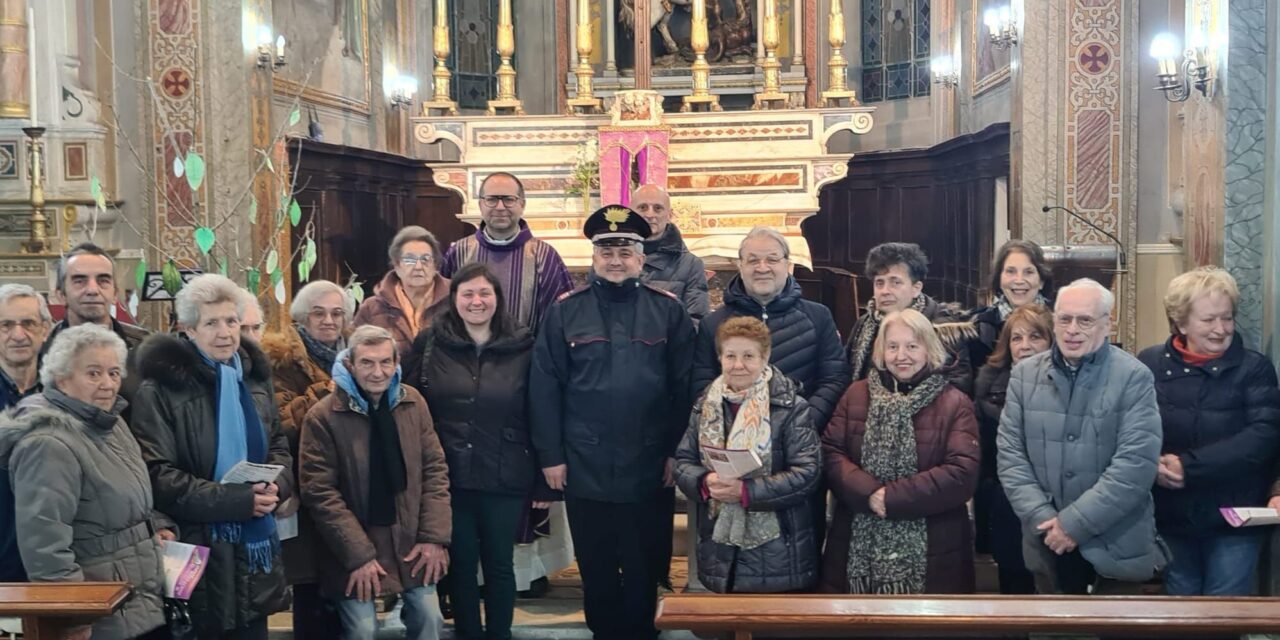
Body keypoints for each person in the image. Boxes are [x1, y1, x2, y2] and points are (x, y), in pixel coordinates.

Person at [531, 205, 695, 640]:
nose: (616, 259)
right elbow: (545, 387)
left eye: (626, 249)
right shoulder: (565, 312)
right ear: (594, 257)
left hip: (649, 463)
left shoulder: (669, 312)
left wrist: (675, 452)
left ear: (642, 258)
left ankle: (643, 632)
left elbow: (684, 388)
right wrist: (551, 456)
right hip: (585, 463)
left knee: (645, 565)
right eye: (607, 250)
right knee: (598, 567)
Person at [131, 274, 293, 639]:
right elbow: (157, 475)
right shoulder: (159, 389)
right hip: (197, 548)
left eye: (232, 321)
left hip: (253, 557)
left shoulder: (253, 378)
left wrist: (275, 486)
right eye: (212, 323)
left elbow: (278, 444)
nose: (225, 333)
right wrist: (237, 502)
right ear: (188, 329)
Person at [691, 226, 850, 581]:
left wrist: (801, 422)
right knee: (730, 561)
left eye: (771, 259)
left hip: (796, 459)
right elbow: (702, 384)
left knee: (796, 555)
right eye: (753, 260)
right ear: (740, 267)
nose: (762, 267)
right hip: (732, 459)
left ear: (788, 265)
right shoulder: (715, 323)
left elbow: (835, 377)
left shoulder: (817, 316)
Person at [998, 278, 1169, 595]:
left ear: (1107, 324)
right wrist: (1044, 518)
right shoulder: (1024, 376)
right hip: (1045, 539)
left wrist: (1073, 525)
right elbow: (1011, 458)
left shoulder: (1134, 377)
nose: (1072, 329)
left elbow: (1135, 466)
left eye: (1085, 320)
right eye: (1064, 319)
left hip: (1116, 545)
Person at [414, 263, 558, 640]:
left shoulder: (524, 345)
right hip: (449, 475)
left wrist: (545, 480)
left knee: (499, 564)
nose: (476, 301)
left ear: (497, 298)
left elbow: (540, 410)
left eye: (484, 293)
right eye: (467, 294)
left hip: (505, 472)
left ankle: (499, 634)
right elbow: (412, 407)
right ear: (454, 299)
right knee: (460, 565)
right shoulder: (429, 344)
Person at [0, 325, 169, 640]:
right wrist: (74, 614)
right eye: (93, 374)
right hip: (100, 611)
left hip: (134, 598)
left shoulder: (111, 422)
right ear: (62, 378)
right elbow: (44, 544)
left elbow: (129, 497)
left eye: (114, 373)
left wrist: (155, 525)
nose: (108, 384)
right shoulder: (48, 444)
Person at [300, 325, 450, 640]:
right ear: (350, 365)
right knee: (363, 630)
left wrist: (433, 537)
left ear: (397, 363)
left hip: (410, 541)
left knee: (430, 619)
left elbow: (435, 470)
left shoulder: (413, 403)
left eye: (385, 362)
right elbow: (320, 494)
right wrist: (359, 556)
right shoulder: (323, 416)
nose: (378, 372)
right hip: (353, 548)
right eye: (367, 363)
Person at [1137, 267, 1280, 596]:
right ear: (1181, 322)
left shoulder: (1254, 368)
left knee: (1225, 612)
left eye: (1227, 318)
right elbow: (1132, 428)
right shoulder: (1149, 363)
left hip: (1234, 518)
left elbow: (1262, 437)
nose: (1221, 329)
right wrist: (1153, 463)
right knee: (1180, 613)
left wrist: (1190, 467)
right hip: (1171, 516)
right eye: (1209, 320)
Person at [820, 309, 980, 594]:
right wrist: (869, 492)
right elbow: (831, 452)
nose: (901, 355)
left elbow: (961, 474)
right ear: (881, 351)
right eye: (892, 346)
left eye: (912, 346)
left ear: (929, 349)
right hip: (856, 539)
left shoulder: (955, 402)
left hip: (936, 547)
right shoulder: (855, 394)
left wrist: (892, 498)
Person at [674, 317, 820, 593]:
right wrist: (706, 482)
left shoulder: (791, 408)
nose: (738, 365)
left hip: (778, 547)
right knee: (728, 630)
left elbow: (807, 473)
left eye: (749, 356)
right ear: (719, 357)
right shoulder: (706, 405)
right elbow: (683, 461)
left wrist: (746, 491)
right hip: (720, 546)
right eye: (730, 355)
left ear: (765, 357)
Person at [259, 280, 354, 638]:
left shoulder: (359, 354)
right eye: (319, 313)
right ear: (302, 318)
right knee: (311, 587)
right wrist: (324, 391)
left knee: (349, 586)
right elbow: (281, 423)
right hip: (306, 486)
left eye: (336, 313)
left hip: (351, 487)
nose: (328, 321)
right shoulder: (282, 361)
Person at [972, 304, 1053, 594]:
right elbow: (981, 455)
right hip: (1005, 502)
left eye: (1035, 337)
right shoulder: (988, 386)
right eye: (1016, 338)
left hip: (1056, 505)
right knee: (1014, 586)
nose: (1025, 346)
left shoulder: (1069, 385)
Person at [439, 172, 574, 336]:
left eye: (509, 199)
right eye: (492, 199)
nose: (500, 207)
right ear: (481, 204)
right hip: (466, 358)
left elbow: (560, 318)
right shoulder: (459, 252)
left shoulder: (544, 256)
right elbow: (442, 309)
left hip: (526, 357)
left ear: (522, 204)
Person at [845, 242, 974, 395]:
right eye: (879, 283)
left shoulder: (944, 327)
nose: (885, 291)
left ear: (916, 288)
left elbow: (958, 386)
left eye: (895, 282)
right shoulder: (865, 324)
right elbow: (845, 375)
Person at [43, 243, 150, 405]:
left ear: (115, 293)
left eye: (103, 280)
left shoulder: (145, 349)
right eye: (80, 281)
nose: (92, 290)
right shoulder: (41, 350)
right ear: (61, 295)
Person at [0, 284, 52, 584]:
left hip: (51, 552)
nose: (18, 334)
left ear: (45, 330)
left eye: (28, 323)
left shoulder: (65, 390)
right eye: (6, 325)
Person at [354, 226, 450, 362]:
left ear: (435, 265)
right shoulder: (372, 307)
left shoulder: (455, 302)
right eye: (409, 260)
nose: (418, 267)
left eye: (425, 259)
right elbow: (355, 356)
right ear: (397, 266)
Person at [968, 240, 1054, 368]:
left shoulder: (1060, 322)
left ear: (1041, 281)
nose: (1019, 280)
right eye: (1011, 271)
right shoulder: (979, 327)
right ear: (999, 279)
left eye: (1028, 272)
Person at [631, 184, 710, 321]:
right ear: (631, 212)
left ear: (669, 215)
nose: (650, 214)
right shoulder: (611, 259)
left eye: (658, 208)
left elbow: (696, 319)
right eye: (643, 207)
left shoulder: (691, 265)